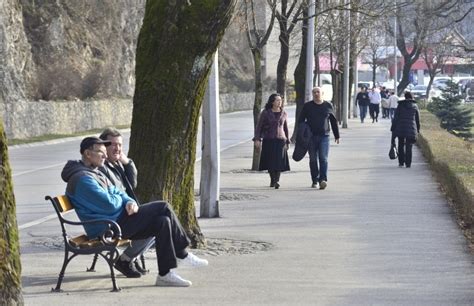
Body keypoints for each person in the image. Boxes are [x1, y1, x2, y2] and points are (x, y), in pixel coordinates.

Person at [61, 136, 208, 287]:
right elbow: (110, 204)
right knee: (163, 207)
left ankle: (165, 274)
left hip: (116, 221)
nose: (105, 156)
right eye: (101, 152)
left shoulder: (94, 172)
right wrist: (120, 199)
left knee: (162, 222)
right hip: (107, 228)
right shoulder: (83, 179)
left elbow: (119, 193)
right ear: (87, 153)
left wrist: (129, 201)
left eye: (105, 152)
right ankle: (182, 254)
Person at [96, 127, 154, 278]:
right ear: (104, 146)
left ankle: (129, 259)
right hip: (113, 221)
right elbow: (116, 193)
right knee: (156, 221)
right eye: (113, 144)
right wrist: (129, 202)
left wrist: (127, 162)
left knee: (159, 219)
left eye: (120, 145)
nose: (117, 148)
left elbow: (132, 184)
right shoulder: (102, 168)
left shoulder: (116, 164)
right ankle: (125, 260)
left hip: (123, 214)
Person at [298, 87, 340, 189]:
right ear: (312, 94)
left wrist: (337, 135)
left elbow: (333, 121)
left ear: (322, 93)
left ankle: (323, 180)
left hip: (324, 136)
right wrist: (302, 134)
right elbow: (301, 121)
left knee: (323, 158)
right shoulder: (307, 106)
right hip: (311, 137)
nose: (316, 94)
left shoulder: (328, 105)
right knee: (313, 159)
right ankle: (314, 180)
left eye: (318, 92)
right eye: (314, 92)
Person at [253, 93, 290, 189]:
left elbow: (285, 128)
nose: (279, 102)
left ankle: (277, 181)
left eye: (280, 100)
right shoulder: (265, 112)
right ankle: (272, 179)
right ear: (272, 102)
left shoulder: (284, 113)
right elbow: (259, 127)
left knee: (279, 161)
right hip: (268, 139)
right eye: (277, 100)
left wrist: (287, 141)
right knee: (270, 161)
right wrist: (257, 139)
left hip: (280, 140)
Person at [390, 91, 420, 168]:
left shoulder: (400, 105)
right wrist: (417, 130)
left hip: (401, 128)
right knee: (409, 146)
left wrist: (393, 128)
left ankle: (401, 162)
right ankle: (408, 163)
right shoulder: (415, 106)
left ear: (405, 97)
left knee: (400, 144)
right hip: (411, 128)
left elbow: (395, 118)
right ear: (412, 97)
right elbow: (417, 119)